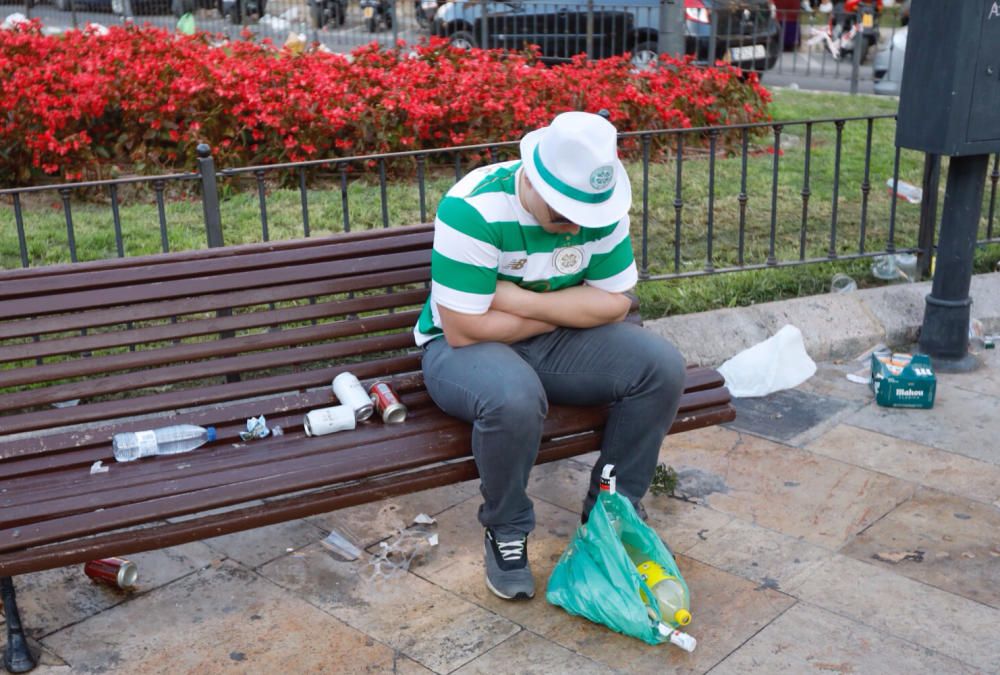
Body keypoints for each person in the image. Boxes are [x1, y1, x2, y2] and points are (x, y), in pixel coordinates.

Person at [413, 111, 686, 600]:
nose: (573, 228)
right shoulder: (474, 208)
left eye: (584, 217)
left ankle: (611, 511)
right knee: (514, 397)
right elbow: (463, 326)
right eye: (562, 215)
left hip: (545, 337)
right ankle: (507, 528)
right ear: (533, 181)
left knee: (659, 367)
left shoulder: (600, 208)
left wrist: (517, 299)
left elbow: (615, 303)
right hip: (462, 351)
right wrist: (568, 309)